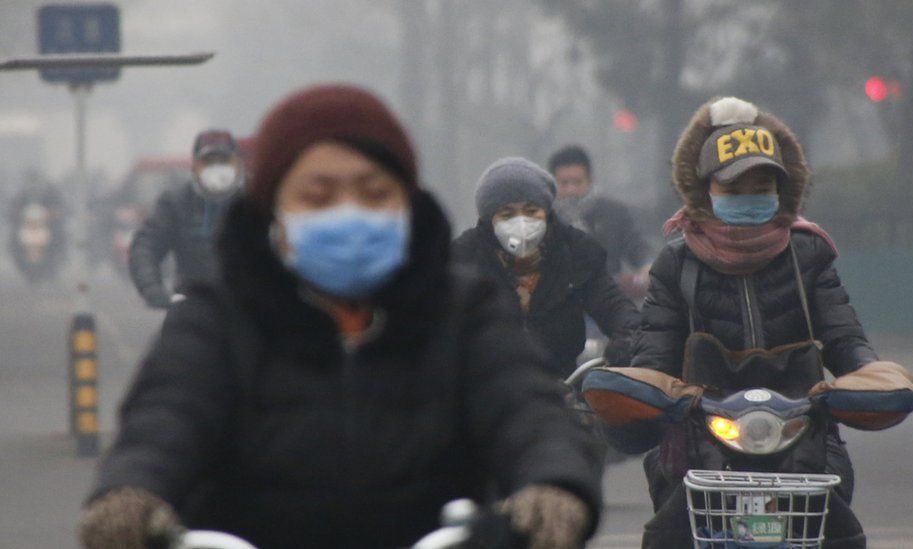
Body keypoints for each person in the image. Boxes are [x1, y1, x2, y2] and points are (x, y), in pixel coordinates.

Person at [78, 84, 602, 549]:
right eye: (318, 194)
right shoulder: (216, 318)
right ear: (272, 212)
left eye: (374, 193)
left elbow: (527, 413)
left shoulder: (464, 312)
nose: (348, 211)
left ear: (407, 204)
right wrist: (130, 492)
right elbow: (164, 419)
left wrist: (552, 485)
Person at [629, 97, 913, 548]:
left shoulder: (809, 252)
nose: (750, 197)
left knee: (841, 530)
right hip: (701, 436)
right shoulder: (675, 263)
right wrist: (640, 392)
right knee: (669, 531)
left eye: (763, 185)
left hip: (804, 430)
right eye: (735, 188)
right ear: (705, 190)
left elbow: (843, 335)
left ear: (784, 190)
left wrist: (868, 374)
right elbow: (654, 354)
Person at [452, 157, 640, 379]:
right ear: (488, 218)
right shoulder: (462, 260)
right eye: (507, 213)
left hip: (560, 388)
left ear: (547, 211)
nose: (521, 222)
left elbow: (615, 306)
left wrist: (626, 342)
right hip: (482, 390)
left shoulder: (576, 252)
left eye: (531, 211)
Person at [128, 129, 244, 309]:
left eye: (223, 161)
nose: (217, 169)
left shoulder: (256, 201)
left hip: (247, 310)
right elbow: (146, 246)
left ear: (237, 164)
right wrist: (153, 291)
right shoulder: (177, 203)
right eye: (209, 162)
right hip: (192, 306)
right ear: (195, 166)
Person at [548, 144, 653, 284]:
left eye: (577, 182)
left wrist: (647, 267)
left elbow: (636, 246)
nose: (571, 190)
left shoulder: (613, 212)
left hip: (608, 295)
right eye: (564, 183)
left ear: (590, 180)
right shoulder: (544, 215)